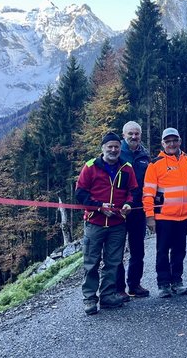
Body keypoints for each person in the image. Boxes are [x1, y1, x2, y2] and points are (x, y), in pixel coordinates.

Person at [76, 132, 138, 315]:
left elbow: (133, 191)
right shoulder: (90, 166)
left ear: (120, 148)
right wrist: (98, 207)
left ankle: (108, 296)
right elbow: (80, 193)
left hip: (117, 224)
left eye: (116, 147)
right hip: (94, 223)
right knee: (91, 262)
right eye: (109, 146)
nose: (113, 150)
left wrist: (128, 204)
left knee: (113, 262)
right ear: (102, 148)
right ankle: (89, 299)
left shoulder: (127, 168)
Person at [143, 128, 187, 298]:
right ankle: (163, 283)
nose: (172, 144)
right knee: (162, 250)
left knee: (180, 250)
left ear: (180, 141)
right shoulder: (155, 164)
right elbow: (148, 193)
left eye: (175, 140)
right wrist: (149, 216)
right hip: (164, 217)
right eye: (168, 141)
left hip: (185, 216)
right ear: (163, 144)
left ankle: (177, 280)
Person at [115, 121, 151, 300]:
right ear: (124, 135)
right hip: (120, 210)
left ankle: (134, 284)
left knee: (138, 249)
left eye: (136, 134)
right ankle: (119, 288)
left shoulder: (145, 155)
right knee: (118, 250)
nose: (133, 137)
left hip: (139, 209)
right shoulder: (116, 153)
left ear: (140, 135)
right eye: (130, 133)